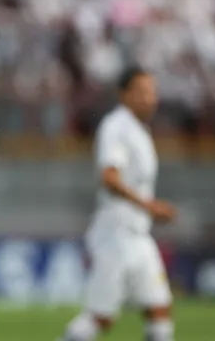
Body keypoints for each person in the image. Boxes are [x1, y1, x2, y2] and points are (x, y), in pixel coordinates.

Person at [59, 68, 177, 341]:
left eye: (152, 92)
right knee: (101, 317)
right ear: (123, 95)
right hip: (116, 234)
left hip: (139, 236)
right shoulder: (116, 127)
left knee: (158, 308)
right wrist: (150, 206)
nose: (150, 99)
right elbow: (109, 177)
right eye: (142, 92)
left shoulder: (138, 130)